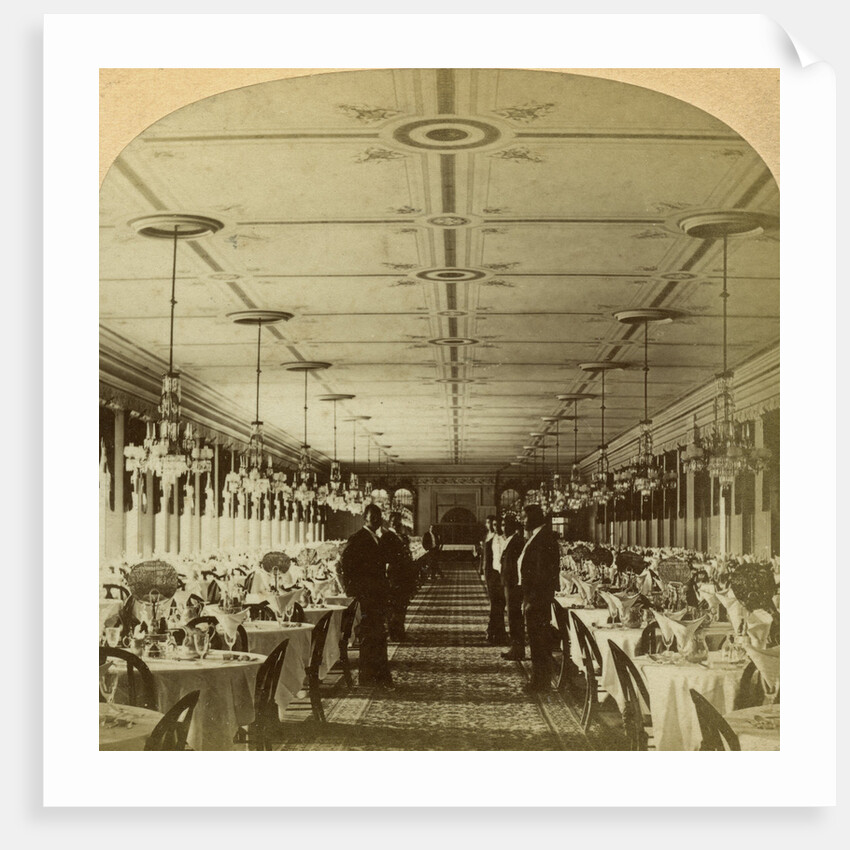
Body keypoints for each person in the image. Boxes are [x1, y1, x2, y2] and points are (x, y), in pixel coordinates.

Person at [338, 503, 394, 689]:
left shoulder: (375, 538)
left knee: (378, 635)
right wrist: (356, 593)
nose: (377, 520)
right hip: (368, 596)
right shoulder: (358, 538)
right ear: (365, 518)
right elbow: (346, 566)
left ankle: (376, 676)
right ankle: (370, 677)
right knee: (371, 635)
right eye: (373, 517)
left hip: (376, 595)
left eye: (378, 516)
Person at [518, 504, 561, 692]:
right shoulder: (539, 536)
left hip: (538, 599)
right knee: (537, 640)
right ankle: (539, 679)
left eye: (525, 517)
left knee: (539, 641)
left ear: (534, 517)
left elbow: (542, 575)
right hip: (534, 597)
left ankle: (540, 682)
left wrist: (531, 599)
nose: (522, 520)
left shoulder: (543, 538)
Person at [383, 511, 416, 641]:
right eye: (394, 522)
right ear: (390, 523)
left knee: (402, 604)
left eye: (399, 522)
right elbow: (386, 557)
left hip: (405, 576)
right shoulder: (386, 537)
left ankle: (400, 630)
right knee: (394, 606)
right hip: (394, 576)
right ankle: (394, 633)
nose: (397, 524)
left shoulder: (404, 537)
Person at [499, 515, 526, 661]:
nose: (503, 528)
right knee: (511, 616)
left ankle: (517, 650)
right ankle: (515, 648)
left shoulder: (517, 541)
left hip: (513, 584)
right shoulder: (510, 540)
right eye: (503, 525)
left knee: (514, 616)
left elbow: (517, 564)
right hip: (508, 583)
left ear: (513, 527)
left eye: (506, 525)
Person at [483, 515, 508, 646]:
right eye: (494, 525)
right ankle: (496, 633)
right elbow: (488, 559)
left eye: (498, 525)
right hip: (492, 575)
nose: (496, 527)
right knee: (496, 604)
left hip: (501, 575)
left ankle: (494, 631)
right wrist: (485, 574)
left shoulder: (505, 540)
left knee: (499, 605)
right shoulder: (491, 539)